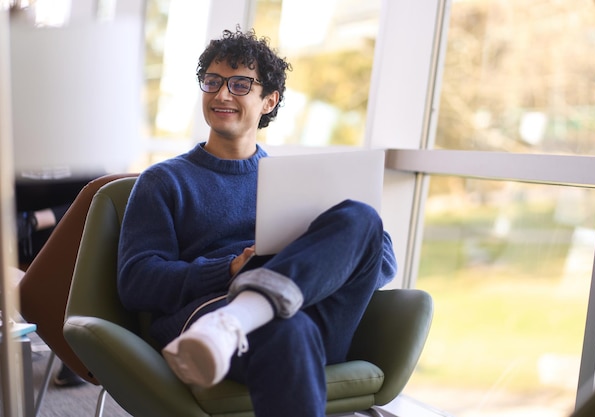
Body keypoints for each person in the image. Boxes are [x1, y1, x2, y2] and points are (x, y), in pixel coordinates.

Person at [117, 28, 397, 417]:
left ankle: (247, 312)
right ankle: (237, 316)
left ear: (269, 101)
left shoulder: (300, 180)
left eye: (240, 84)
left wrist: (308, 259)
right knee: (288, 328)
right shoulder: (164, 182)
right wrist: (228, 269)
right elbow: (137, 282)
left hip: (310, 314)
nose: (221, 94)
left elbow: (379, 261)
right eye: (212, 81)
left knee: (363, 218)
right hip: (209, 318)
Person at [16, 204, 86, 387]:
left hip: (53, 236)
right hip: (14, 239)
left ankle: (74, 351)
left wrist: (34, 220)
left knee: (88, 202)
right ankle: (74, 352)